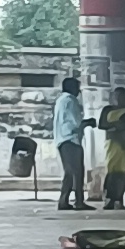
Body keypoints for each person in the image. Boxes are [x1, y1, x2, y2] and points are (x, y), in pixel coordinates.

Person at [49, 75, 90, 210]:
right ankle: (78, 201)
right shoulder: (70, 100)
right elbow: (77, 123)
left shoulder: (60, 100)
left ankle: (64, 200)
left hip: (62, 139)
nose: (79, 91)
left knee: (69, 171)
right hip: (71, 139)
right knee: (76, 172)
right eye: (78, 88)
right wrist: (89, 122)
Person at [96, 90, 125, 207]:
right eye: (116, 97)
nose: (119, 99)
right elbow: (102, 124)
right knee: (113, 172)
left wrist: (116, 126)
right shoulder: (107, 110)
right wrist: (119, 125)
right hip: (113, 145)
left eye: (122, 97)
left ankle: (123, 199)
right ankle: (110, 198)